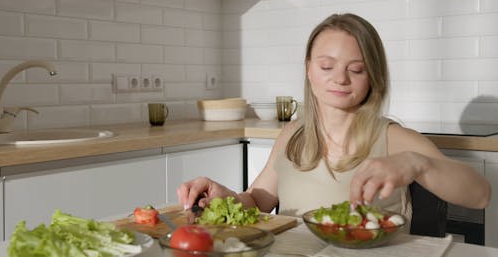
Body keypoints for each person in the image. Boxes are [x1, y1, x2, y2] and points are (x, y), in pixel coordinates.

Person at [177, 13, 491, 227]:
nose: (340, 78)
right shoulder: (292, 136)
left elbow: (480, 194)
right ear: (309, 69)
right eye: (327, 66)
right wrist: (226, 198)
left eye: (356, 69)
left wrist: (418, 164)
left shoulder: (394, 139)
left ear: (373, 77)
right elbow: (259, 199)